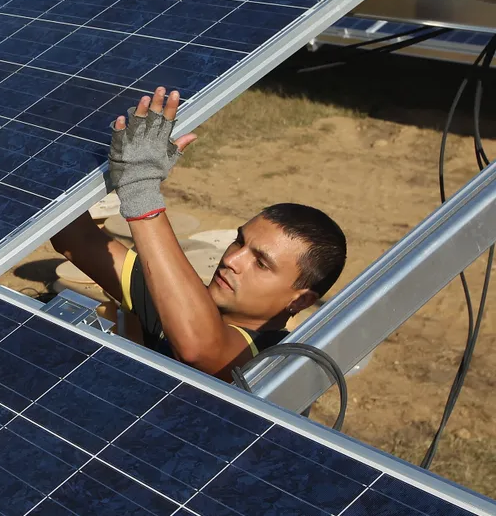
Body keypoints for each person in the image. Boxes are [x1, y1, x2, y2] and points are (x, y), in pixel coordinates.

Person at [51, 87, 347, 382]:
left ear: (301, 301)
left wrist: (139, 189)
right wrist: (58, 138)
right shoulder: (177, 301)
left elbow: (200, 348)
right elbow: (74, 239)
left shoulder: (273, 361)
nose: (233, 259)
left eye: (260, 263)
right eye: (240, 241)